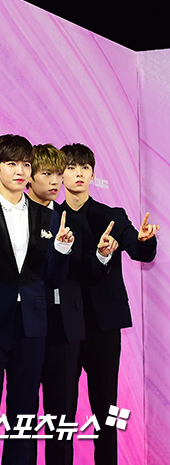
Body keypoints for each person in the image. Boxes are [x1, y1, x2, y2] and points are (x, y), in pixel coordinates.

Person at [0, 134, 73, 465]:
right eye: (12, 164)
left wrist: (61, 250)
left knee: (24, 413)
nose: (20, 171)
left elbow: (53, 279)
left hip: (33, 326)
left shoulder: (49, 218)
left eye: (26, 165)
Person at [60, 143, 158, 465]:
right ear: (61, 174)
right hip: (63, 326)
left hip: (103, 327)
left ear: (92, 174)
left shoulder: (112, 216)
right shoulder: (50, 217)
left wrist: (146, 239)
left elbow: (141, 253)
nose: (78, 174)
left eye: (84, 168)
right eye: (71, 168)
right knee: (61, 410)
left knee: (105, 409)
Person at [27, 144, 116, 465]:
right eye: (48, 174)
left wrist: (103, 255)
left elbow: (87, 273)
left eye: (56, 173)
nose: (55, 180)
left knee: (61, 415)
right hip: (22, 325)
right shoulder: (5, 214)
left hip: (65, 326)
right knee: (23, 413)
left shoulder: (69, 220)